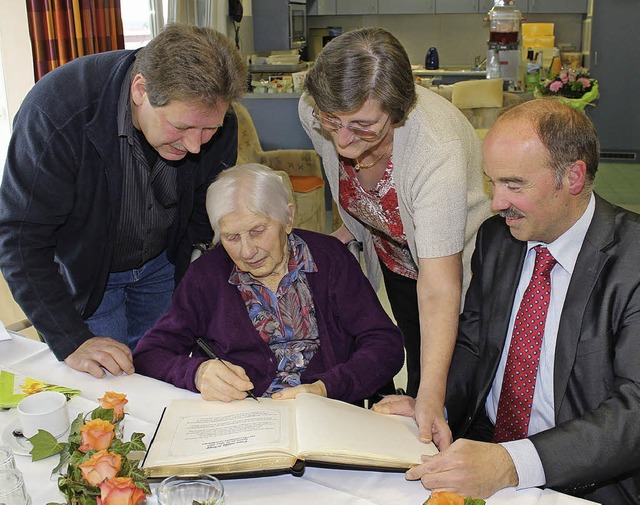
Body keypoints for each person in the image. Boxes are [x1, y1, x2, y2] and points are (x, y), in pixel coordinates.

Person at [374, 99, 640, 504]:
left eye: (514, 185)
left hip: (587, 476)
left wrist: (511, 464)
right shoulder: (497, 239)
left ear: (573, 176)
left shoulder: (632, 260)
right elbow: (474, 342)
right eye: (491, 182)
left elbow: (633, 411)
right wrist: (434, 404)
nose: (497, 202)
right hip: (483, 443)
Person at [0, 24, 247, 379]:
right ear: (140, 90)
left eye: (207, 131)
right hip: (85, 277)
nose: (196, 145)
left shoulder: (214, 120)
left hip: (162, 265)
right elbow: (21, 240)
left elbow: (204, 201)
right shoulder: (56, 112)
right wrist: (70, 339)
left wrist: (193, 264)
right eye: (182, 128)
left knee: (161, 376)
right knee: (107, 392)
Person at [298, 27, 491, 446]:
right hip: (393, 256)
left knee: (447, 383)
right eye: (334, 121)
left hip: (455, 269)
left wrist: (431, 398)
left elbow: (441, 288)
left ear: (399, 111)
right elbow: (348, 176)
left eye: (363, 126)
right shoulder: (315, 111)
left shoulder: (435, 148)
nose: (344, 140)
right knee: (413, 348)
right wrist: (353, 227)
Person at [133, 164, 405, 403]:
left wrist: (327, 388)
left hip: (327, 410)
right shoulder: (206, 275)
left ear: (287, 218)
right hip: (245, 417)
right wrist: (197, 373)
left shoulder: (331, 258)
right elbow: (150, 353)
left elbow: (385, 344)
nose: (247, 251)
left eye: (258, 231)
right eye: (232, 238)